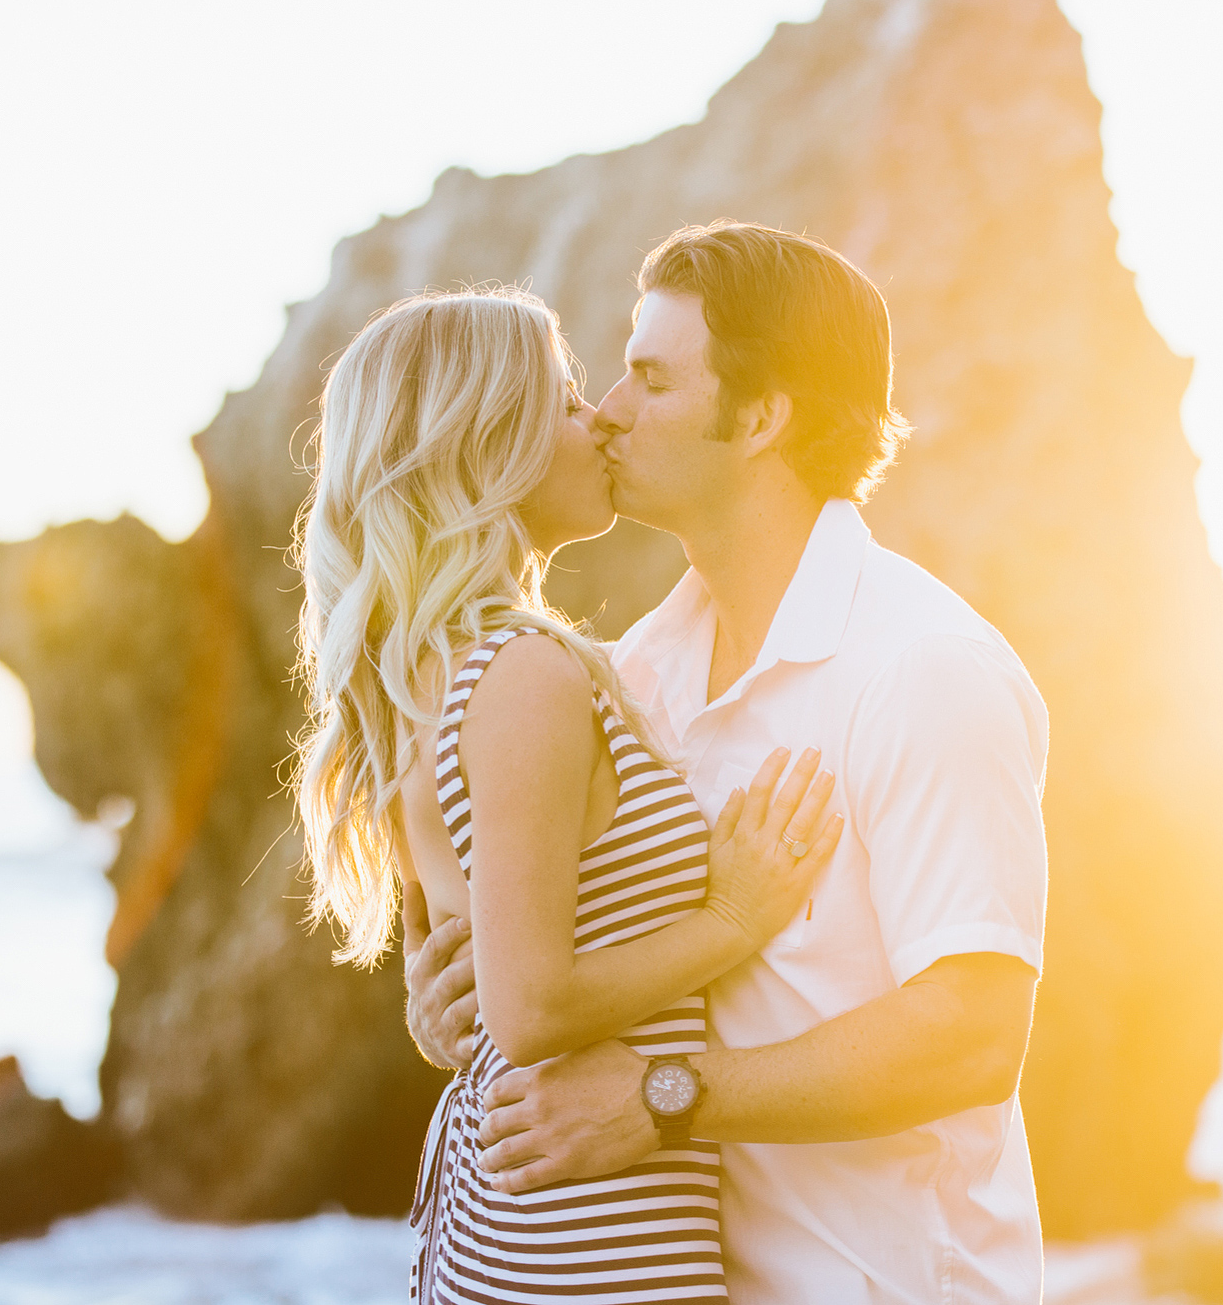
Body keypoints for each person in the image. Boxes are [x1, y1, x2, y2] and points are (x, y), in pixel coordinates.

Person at [405, 224, 1052, 1304]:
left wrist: (663, 1094)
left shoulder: (922, 669)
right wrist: (459, 1008)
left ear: (758, 417)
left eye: (651, 379)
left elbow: (970, 1034)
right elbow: (563, 971)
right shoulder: (630, 677)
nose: (607, 407)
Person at [292, 285, 846, 1303]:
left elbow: (463, 978)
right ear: (483, 444)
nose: (595, 420)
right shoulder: (521, 673)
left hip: (530, 1219)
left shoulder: (427, 676)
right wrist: (734, 914)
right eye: (563, 398)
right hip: (582, 1243)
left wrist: (442, 1018)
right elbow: (530, 1003)